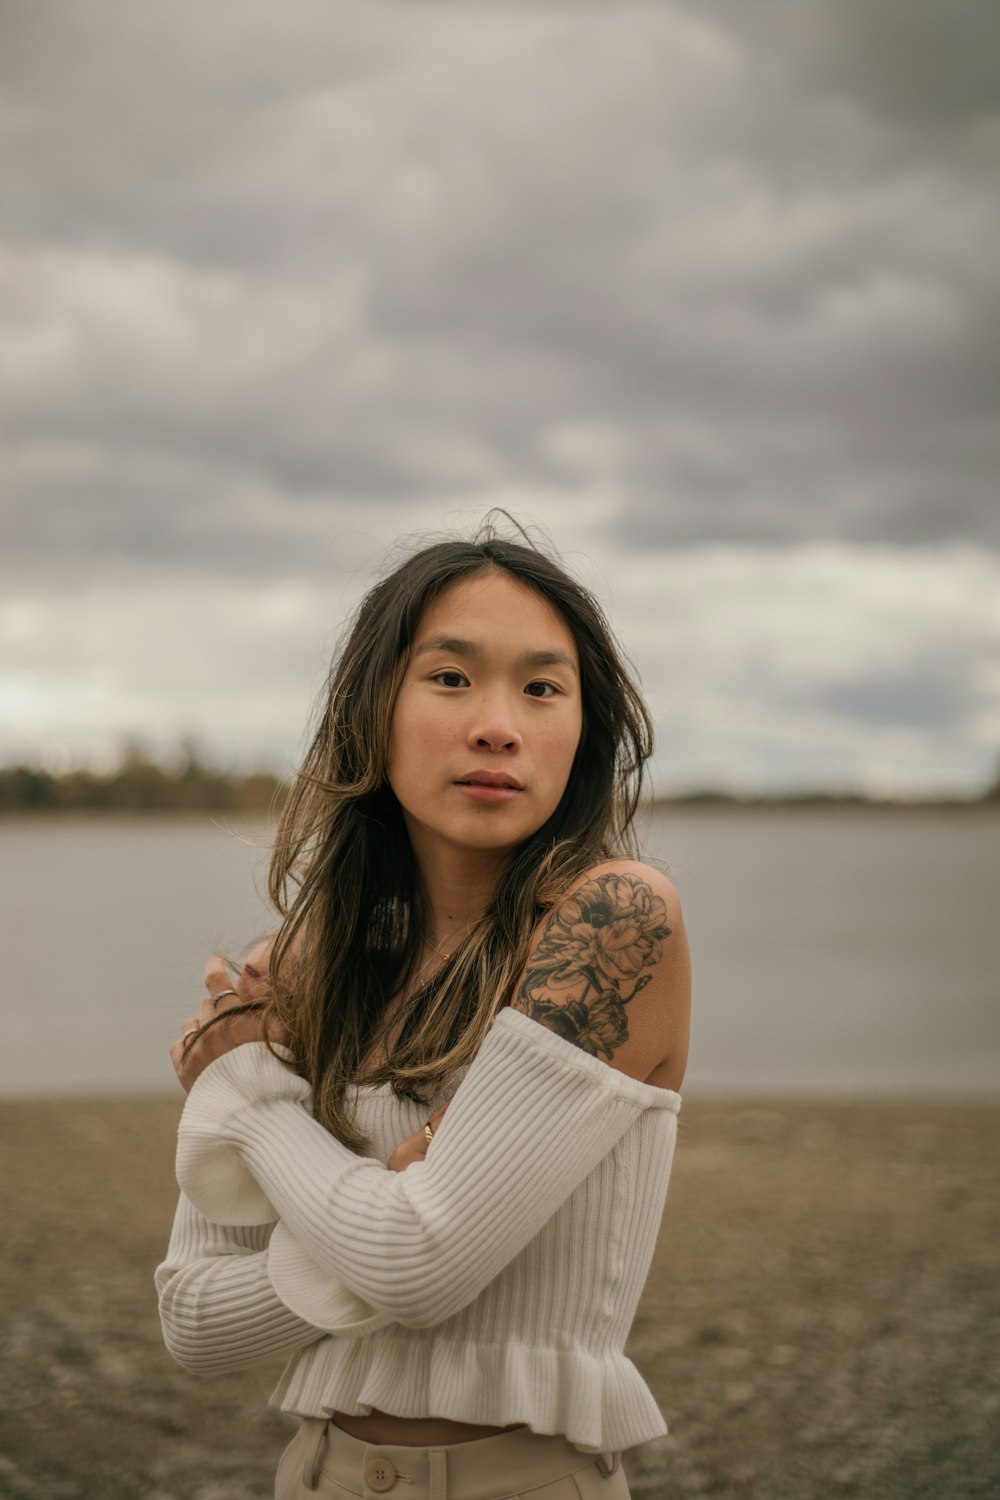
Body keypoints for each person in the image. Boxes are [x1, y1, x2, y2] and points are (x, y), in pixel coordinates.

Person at [156, 522, 691, 1500]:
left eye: (541, 687)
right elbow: (192, 1319)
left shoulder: (614, 925)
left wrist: (248, 1099)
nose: (498, 724)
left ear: (582, 730)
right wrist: (371, 1218)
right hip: (316, 1474)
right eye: (450, 678)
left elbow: (420, 1268)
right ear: (374, 710)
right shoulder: (301, 968)